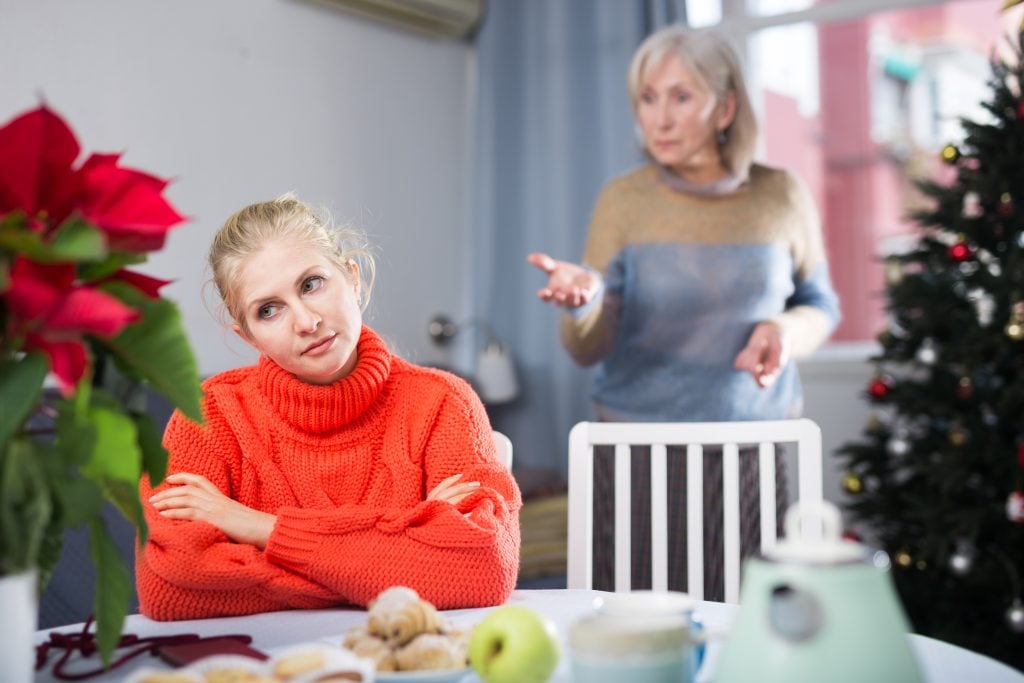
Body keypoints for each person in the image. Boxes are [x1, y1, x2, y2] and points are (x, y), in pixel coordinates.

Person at [528, 25, 839, 598]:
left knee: (746, 627)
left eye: (680, 96)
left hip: (747, 451)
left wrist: (782, 330)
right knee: (629, 629)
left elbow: (820, 304)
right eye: (648, 99)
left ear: (725, 108)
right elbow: (589, 347)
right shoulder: (623, 200)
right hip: (634, 454)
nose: (659, 119)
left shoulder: (781, 196)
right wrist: (585, 304)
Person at [136, 195, 521, 620]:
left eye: (311, 284)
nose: (305, 321)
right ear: (249, 337)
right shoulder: (208, 415)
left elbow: (485, 567)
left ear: (352, 278)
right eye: (268, 310)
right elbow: (167, 590)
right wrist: (401, 546)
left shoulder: (444, 403)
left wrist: (256, 527)